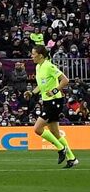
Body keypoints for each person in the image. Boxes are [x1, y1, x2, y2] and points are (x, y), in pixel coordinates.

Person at [31, 37, 78, 168]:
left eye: (33, 54)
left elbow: (65, 80)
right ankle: (72, 158)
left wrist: (55, 90)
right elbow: (41, 85)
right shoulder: (38, 67)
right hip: (47, 101)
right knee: (55, 133)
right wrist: (32, 92)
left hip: (54, 101)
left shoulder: (49, 66)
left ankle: (60, 148)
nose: (31, 56)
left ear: (40, 55)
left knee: (37, 128)